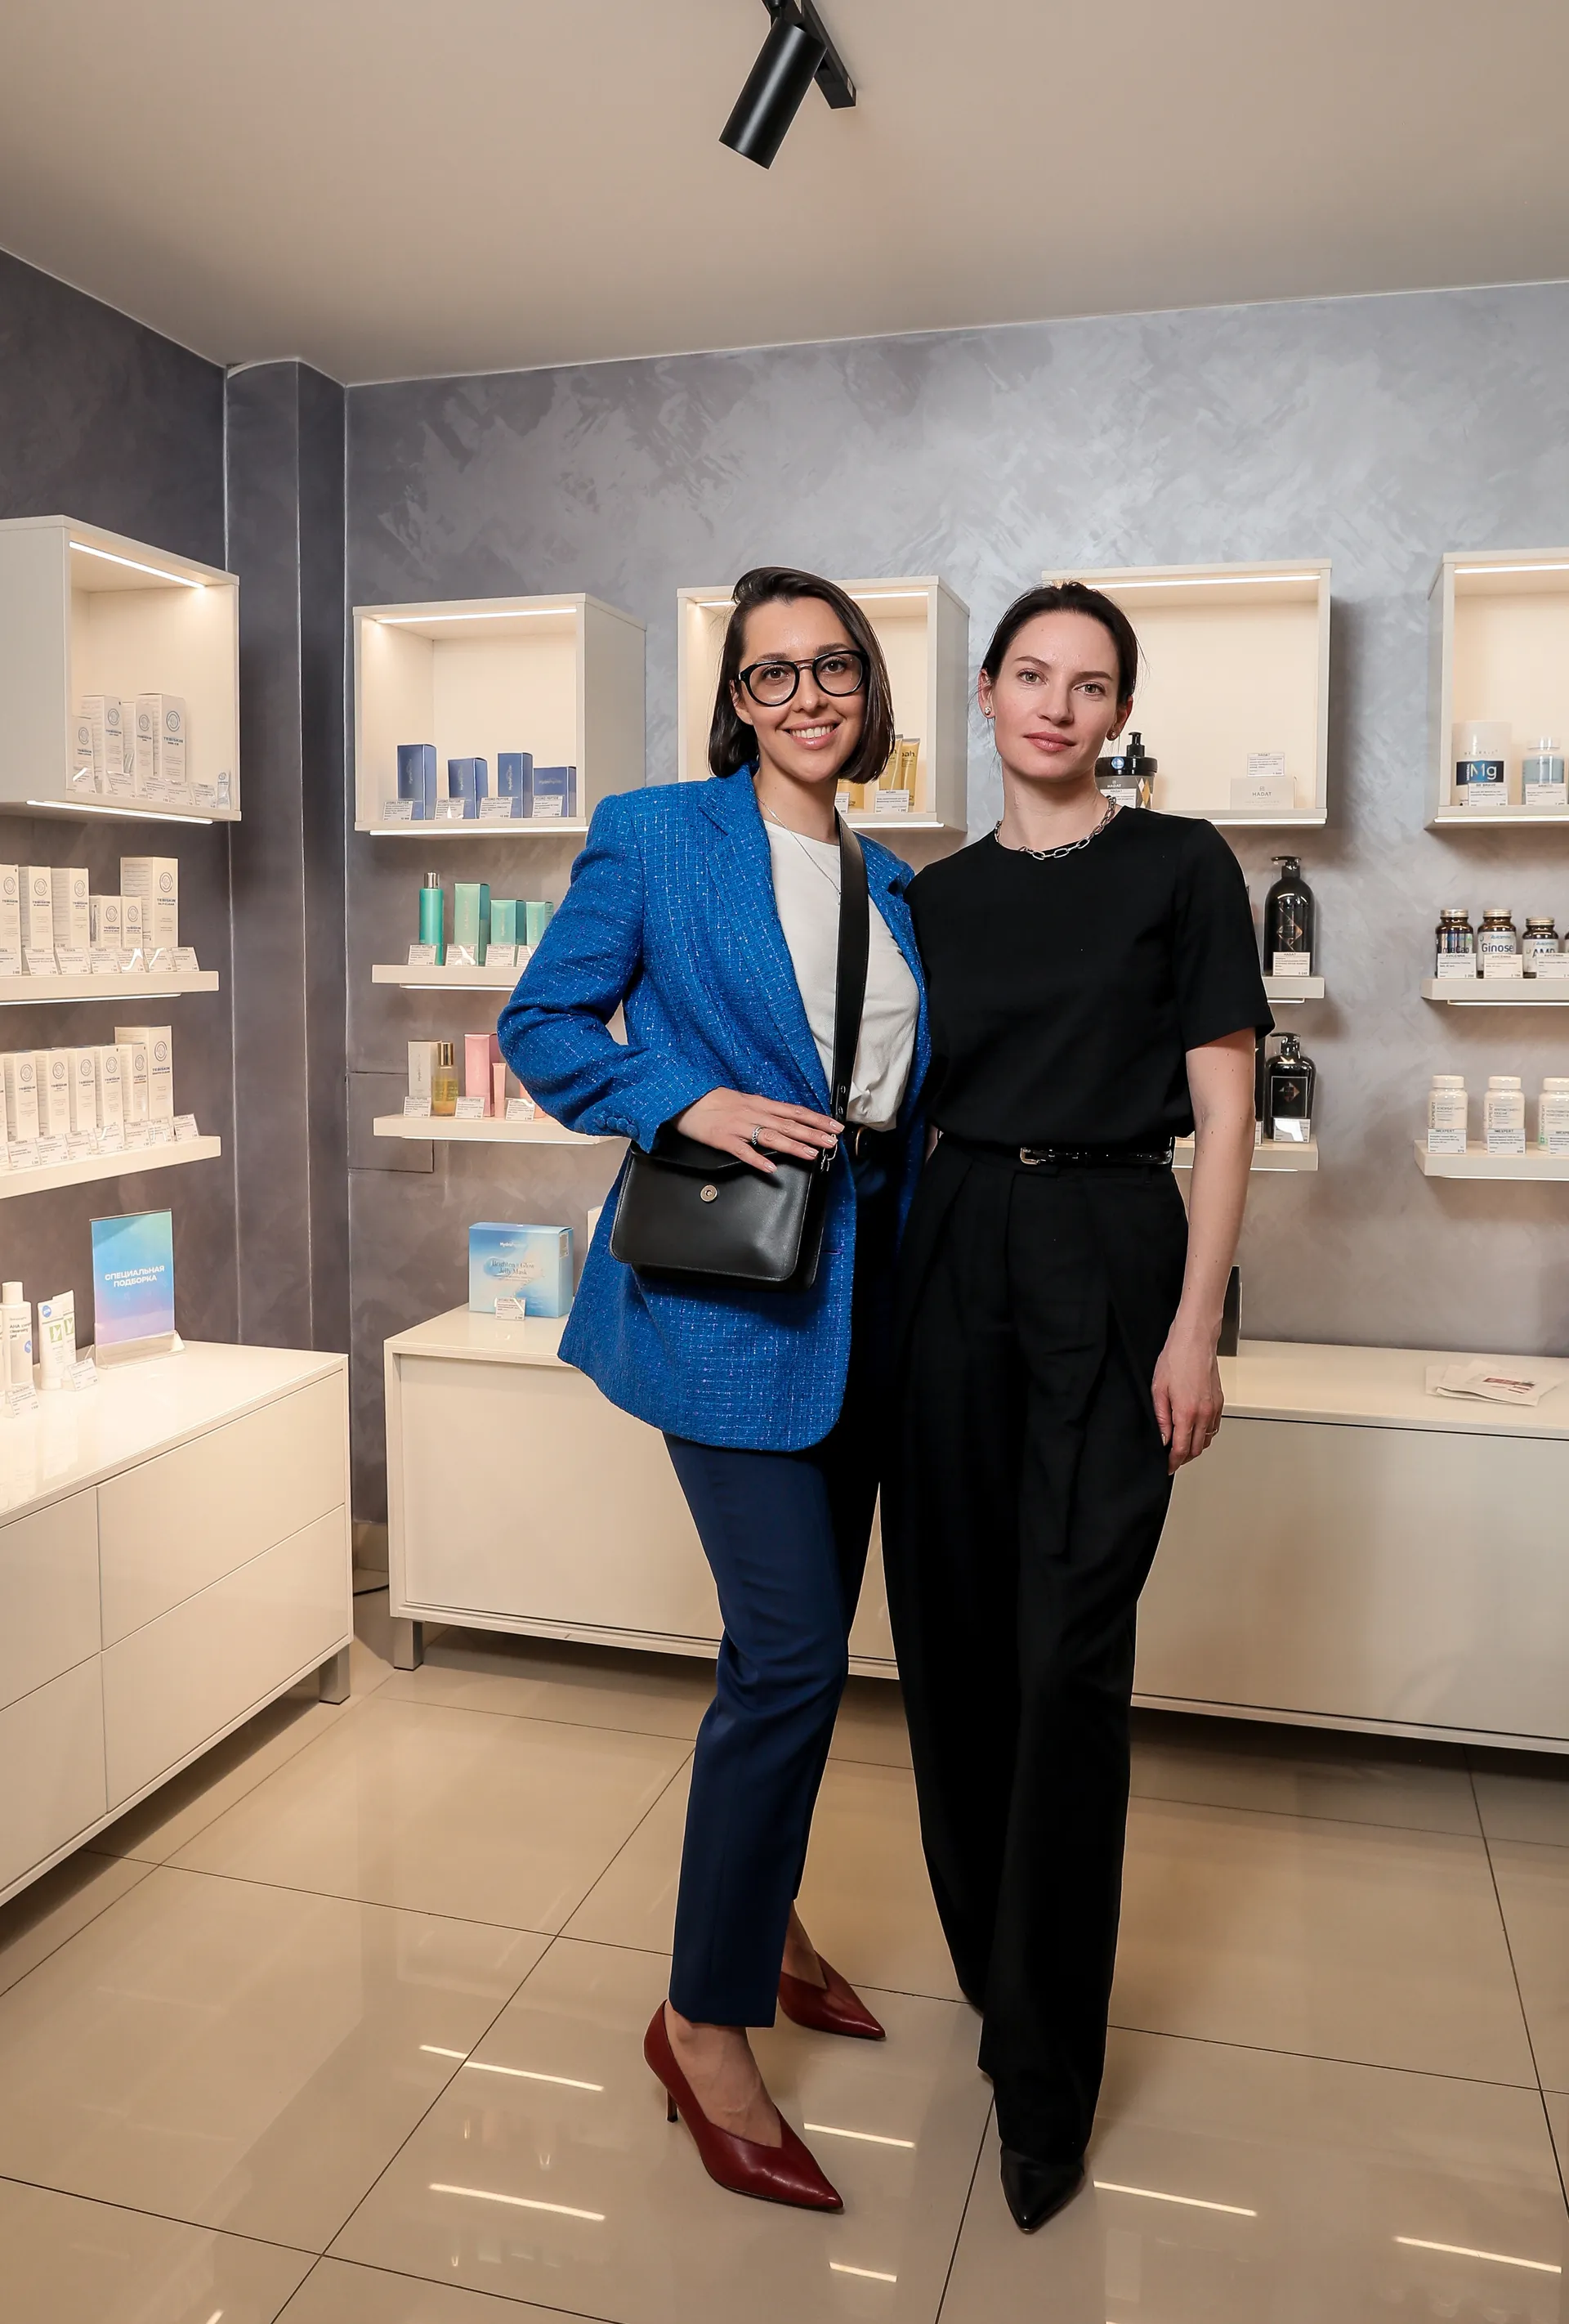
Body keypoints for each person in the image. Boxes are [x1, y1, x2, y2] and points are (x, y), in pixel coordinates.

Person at [499, 566, 927, 2214]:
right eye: (771, 673)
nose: (805, 694)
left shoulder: (896, 880)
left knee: (793, 1661)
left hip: (866, 1308)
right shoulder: (660, 834)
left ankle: (771, 1920)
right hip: (726, 1301)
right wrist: (687, 1099)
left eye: (832, 666)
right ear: (735, 700)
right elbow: (544, 1022)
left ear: (869, 687)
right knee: (794, 1658)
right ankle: (702, 2020)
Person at [883, 580, 1269, 2233]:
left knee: (1066, 1663)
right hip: (953, 1239)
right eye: (1031, 674)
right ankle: (997, 1968)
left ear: (1119, 711)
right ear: (983, 692)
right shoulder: (929, 896)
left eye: (1090, 682)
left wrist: (1197, 1326)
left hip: (1115, 1239)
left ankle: (1046, 2081)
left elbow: (1225, 1109)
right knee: (954, 1641)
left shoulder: (1181, 866)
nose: (1057, 702)